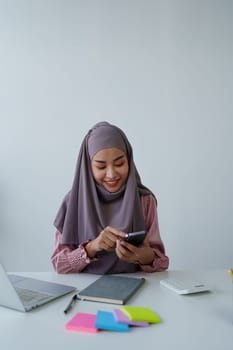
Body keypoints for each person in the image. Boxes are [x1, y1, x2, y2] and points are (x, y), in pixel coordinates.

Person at [51, 121, 169, 274]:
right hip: (83, 292)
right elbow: (59, 265)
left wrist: (144, 257)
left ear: (129, 161)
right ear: (88, 167)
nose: (111, 174)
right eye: (101, 167)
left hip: (135, 290)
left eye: (119, 164)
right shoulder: (73, 202)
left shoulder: (144, 200)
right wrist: (92, 247)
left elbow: (162, 263)